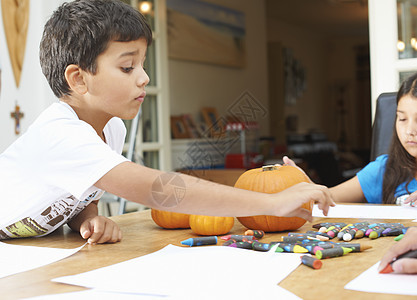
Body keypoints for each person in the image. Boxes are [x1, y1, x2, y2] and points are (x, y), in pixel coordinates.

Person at [0, 0, 335, 245]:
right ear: (78, 79)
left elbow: (79, 192)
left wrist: (88, 218)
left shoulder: (112, 127)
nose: (144, 77)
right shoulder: (61, 135)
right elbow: (162, 192)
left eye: (142, 64)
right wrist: (272, 203)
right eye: (128, 67)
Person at [285, 72, 417, 206]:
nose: (409, 131)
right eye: (402, 119)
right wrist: (303, 182)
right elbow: (328, 198)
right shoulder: (384, 170)